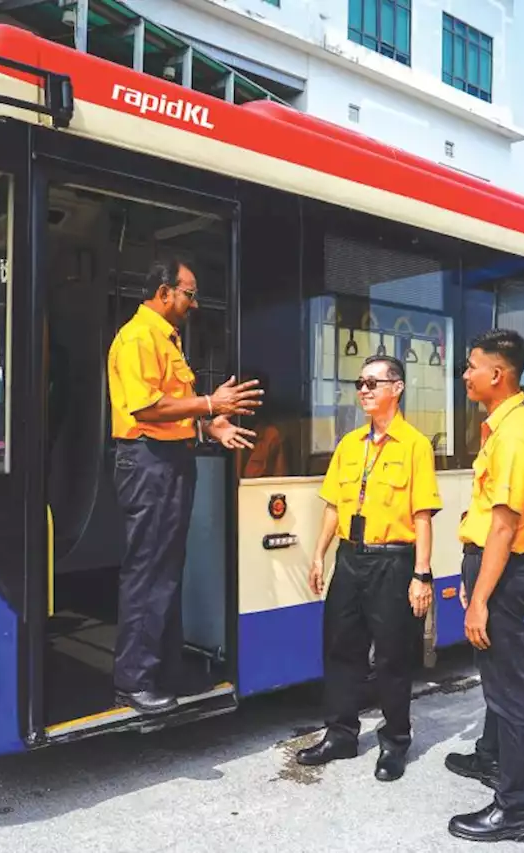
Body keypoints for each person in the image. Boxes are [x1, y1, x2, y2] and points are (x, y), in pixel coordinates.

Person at [107, 255, 263, 715]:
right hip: (149, 463)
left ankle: (158, 671)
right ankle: (132, 681)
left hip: (168, 459)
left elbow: (171, 412)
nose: (194, 303)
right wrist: (210, 402)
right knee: (149, 571)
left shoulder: (164, 339)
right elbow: (145, 408)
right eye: (189, 293)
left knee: (166, 569)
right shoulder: (138, 337)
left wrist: (209, 424)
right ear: (163, 292)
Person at [296, 354, 441, 782]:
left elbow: (423, 516)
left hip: (393, 562)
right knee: (341, 648)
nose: (364, 390)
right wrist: (320, 554)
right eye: (360, 383)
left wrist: (422, 574)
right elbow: (332, 507)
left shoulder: (415, 445)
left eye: (373, 383)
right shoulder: (349, 444)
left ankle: (395, 742)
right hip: (350, 557)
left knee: (393, 657)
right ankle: (340, 734)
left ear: (396, 388)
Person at [445, 329, 524, 843]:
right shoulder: (504, 428)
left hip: (504, 574)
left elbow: (505, 529)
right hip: (494, 568)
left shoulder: (513, 436)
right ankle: (492, 763)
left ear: (497, 374)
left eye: (470, 366)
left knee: (509, 693)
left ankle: (514, 812)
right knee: (499, 684)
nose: (464, 374)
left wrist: (480, 598)